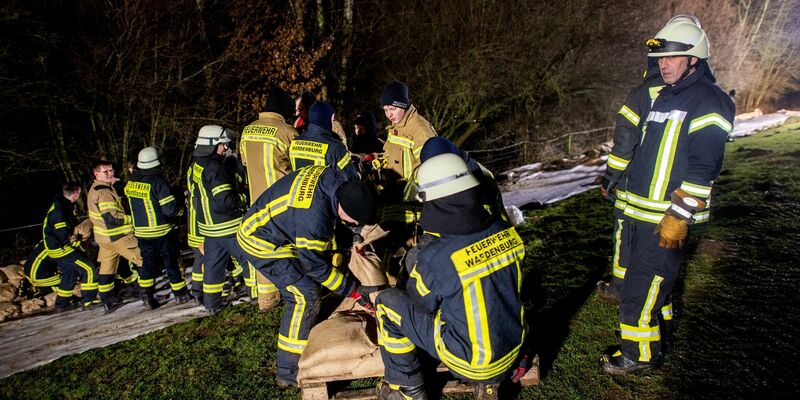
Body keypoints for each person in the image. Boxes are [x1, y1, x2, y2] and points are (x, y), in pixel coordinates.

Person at [599, 16, 735, 374]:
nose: (664, 64)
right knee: (654, 284)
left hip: (668, 218)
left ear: (695, 59)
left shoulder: (710, 101)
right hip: (643, 213)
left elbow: (705, 167)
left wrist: (680, 214)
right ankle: (664, 329)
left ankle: (639, 357)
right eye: (660, 58)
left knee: (638, 291)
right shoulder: (662, 95)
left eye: (672, 57)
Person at [371, 153, 526, 400]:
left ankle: (407, 387)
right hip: (513, 348)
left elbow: (422, 303)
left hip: (469, 360)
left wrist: (414, 269)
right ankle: (490, 383)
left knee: (387, 303)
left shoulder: (437, 256)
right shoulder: (505, 232)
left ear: (436, 202)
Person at [236, 165, 378, 387]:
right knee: (305, 294)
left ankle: (310, 331)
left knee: (315, 284)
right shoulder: (314, 219)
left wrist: (350, 239)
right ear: (344, 207)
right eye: (353, 221)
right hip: (260, 242)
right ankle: (288, 369)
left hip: (280, 229)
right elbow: (315, 267)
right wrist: (353, 291)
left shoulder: (339, 179)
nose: (354, 225)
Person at [240, 87, 298, 312]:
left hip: (256, 201)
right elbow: (298, 166)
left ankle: (266, 301)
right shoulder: (287, 132)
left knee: (261, 247)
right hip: (280, 202)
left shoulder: (247, 131)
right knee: (285, 248)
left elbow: (245, 162)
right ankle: (293, 293)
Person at [190, 125, 252, 314]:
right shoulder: (214, 168)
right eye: (222, 144)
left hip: (209, 229)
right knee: (249, 258)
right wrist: (244, 199)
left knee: (213, 267)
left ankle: (212, 304)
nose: (226, 148)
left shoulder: (196, 165)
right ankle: (257, 295)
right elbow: (227, 200)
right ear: (211, 145)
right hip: (227, 227)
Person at [124, 147, 190, 309]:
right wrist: (181, 209)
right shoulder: (158, 183)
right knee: (172, 263)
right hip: (163, 232)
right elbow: (170, 209)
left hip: (142, 234)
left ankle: (147, 297)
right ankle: (181, 294)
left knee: (148, 265)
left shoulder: (132, 182)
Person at [87, 160, 140, 311]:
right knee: (142, 259)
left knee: (107, 269)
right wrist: (133, 218)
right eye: (106, 172)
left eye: (111, 170)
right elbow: (113, 219)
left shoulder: (95, 189)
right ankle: (146, 294)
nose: (110, 173)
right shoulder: (104, 192)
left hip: (104, 239)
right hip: (118, 236)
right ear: (96, 174)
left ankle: (107, 301)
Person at [41, 183, 103, 312]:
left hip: (57, 249)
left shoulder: (62, 205)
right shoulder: (59, 211)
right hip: (62, 250)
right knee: (90, 269)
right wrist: (77, 239)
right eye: (79, 194)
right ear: (75, 194)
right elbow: (63, 235)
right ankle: (88, 300)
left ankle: (61, 304)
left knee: (70, 273)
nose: (79, 196)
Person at [380, 80, 437, 188]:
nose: (389, 115)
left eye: (393, 108)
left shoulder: (420, 131)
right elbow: (392, 155)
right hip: (395, 191)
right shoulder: (395, 126)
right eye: (385, 110)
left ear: (403, 105)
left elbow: (431, 168)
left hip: (414, 197)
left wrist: (411, 187)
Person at [288, 101, 357, 179]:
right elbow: (350, 178)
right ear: (327, 119)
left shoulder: (294, 143)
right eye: (332, 118)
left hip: (298, 190)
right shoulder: (335, 147)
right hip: (325, 191)